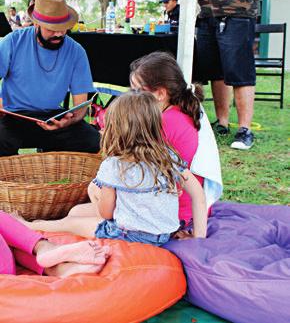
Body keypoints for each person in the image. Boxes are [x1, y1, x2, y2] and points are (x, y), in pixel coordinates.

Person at [20, 91, 208, 242]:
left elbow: (106, 214)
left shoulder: (114, 165)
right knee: (75, 212)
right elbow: (198, 194)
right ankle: (58, 223)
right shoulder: (169, 155)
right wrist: (198, 237)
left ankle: (32, 225)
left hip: (129, 235)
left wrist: (95, 194)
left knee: (69, 224)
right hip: (163, 234)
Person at [0, 0, 100, 156]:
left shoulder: (76, 51)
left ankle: (73, 182)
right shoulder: (13, 41)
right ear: (36, 23)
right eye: (52, 29)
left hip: (54, 117)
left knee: (92, 140)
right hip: (14, 117)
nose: (59, 33)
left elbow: (80, 105)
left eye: (63, 28)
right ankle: (11, 182)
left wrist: (70, 120)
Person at [129, 51, 222, 226]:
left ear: (160, 93)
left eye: (138, 91)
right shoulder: (182, 110)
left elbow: (135, 171)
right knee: (78, 213)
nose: (133, 97)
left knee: (77, 216)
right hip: (189, 207)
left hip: (173, 212)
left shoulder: (164, 122)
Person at [195, 0, 260, 150]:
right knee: (216, 72)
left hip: (237, 11)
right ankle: (221, 123)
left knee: (240, 72)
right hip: (207, 12)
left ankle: (244, 130)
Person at [0, 211, 111, 277]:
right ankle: (44, 247)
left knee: (15, 245)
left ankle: (62, 269)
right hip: (5, 272)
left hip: (6, 268)